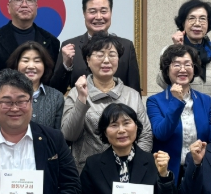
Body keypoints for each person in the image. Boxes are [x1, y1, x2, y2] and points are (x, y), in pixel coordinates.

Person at [62, 33, 152, 173]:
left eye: (112, 55)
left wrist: (135, 166)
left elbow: (145, 135)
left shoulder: (132, 95)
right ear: (88, 60)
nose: (106, 60)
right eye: (100, 55)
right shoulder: (76, 93)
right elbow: (69, 134)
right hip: (87, 172)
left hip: (126, 171)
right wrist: (81, 99)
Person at [147, 44, 211, 184]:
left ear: (194, 68)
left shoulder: (205, 100)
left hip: (200, 170)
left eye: (188, 64)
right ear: (167, 70)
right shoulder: (154, 101)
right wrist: (177, 101)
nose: (183, 69)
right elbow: (161, 133)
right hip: (168, 172)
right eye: (177, 64)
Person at [51, 0, 141, 93]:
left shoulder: (126, 46)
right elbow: (55, 92)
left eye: (103, 11)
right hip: (82, 103)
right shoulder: (70, 47)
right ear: (84, 13)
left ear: (111, 13)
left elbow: (134, 91)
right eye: (92, 11)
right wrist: (66, 66)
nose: (98, 17)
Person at [0, 0, 60, 83]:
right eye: (18, 0)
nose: (24, 5)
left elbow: (53, 81)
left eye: (30, 0)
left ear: (36, 7)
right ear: (8, 7)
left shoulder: (51, 41)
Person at [156, 0, 211, 97]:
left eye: (202, 19)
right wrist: (176, 50)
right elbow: (162, 83)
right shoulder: (168, 51)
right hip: (179, 106)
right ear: (183, 23)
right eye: (191, 18)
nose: (197, 23)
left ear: (208, 23)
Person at [0, 41, 64, 130]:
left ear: (45, 65)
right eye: (25, 61)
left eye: (37, 61)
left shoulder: (56, 97)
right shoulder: (2, 94)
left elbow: (58, 134)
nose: (31, 66)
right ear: (16, 64)